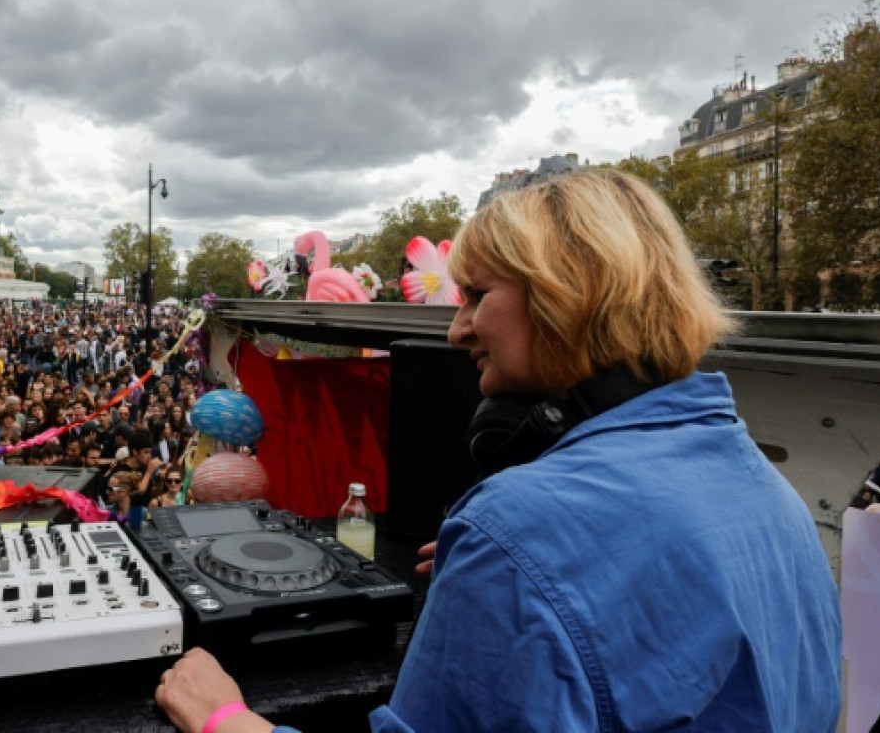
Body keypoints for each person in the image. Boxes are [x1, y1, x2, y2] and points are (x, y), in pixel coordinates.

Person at [155, 169, 842, 732]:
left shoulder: (518, 531)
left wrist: (225, 720)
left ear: (569, 297)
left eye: (478, 295)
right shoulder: (773, 495)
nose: (457, 331)